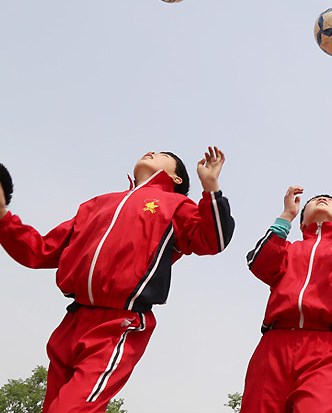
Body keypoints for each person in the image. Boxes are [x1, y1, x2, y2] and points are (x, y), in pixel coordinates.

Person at [0, 147, 233, 413]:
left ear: (176, 178)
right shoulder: (96, 204)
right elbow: (39, 250)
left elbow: (213, 239)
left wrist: (211, 187)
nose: (151, 152)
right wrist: (3, 216)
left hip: (119, 323)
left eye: (163, 155)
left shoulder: (176, 205)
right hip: (72, 322)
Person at [241, 187, 332, 412]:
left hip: (328, 346)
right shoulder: (288, 249)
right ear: (301, 225)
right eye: (315, 199)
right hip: (274, 344)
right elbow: (259, 263)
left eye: (330, 200)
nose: (322, 199)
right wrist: (286, 216)